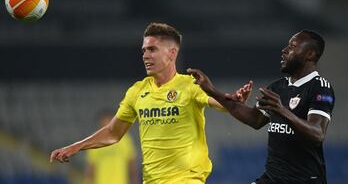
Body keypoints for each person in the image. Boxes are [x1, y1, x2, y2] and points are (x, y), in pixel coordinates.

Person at [50, 22, 251, 184]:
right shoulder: (137, 91)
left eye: (152, 49)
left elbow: (217, 102)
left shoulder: (189, 85)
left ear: (172, 53)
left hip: (187, 179)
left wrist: (232, 100)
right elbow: (113, 132)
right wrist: (75, 147)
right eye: (144, 50)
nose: (145, 55)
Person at [187, 30, 335, 184]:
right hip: (272, 178)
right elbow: (254, 119)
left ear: (309, 54)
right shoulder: (277, 87)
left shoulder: (319, 87)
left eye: (292, 46)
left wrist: (282, 111)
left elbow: (318, 134)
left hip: (305, 180)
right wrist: (212, 90)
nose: (284, 50)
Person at [84, 109, 139, 184]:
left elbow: (131, 164)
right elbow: (90, 167)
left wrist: (134, 181)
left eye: (109, 121)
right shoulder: (94, 139)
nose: (106, 124)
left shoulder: (124, 138)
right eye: (104, 121)